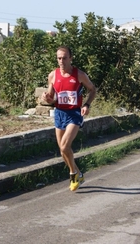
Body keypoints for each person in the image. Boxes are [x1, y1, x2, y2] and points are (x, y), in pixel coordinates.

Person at [42, 45, 97, 191]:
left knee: (65, 146)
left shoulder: (79, 75)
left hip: (74, 114)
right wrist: (47, 99)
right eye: (59, 58)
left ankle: (73, 174)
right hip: (59, 113)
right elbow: (51, 98)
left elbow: (92, 90)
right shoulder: (52, 75)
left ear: (70, 58)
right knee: (62, 151)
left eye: (64, 58)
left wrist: (87, 104)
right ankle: (79, 173)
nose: (61, 61)